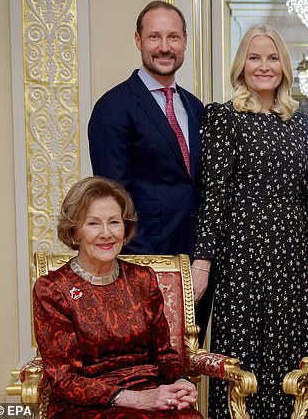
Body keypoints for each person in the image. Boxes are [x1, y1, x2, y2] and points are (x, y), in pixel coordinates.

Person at [190, 24, 308, 419]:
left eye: (273, 57)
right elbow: (213, 197)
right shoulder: (222, 117)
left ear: (284, 65)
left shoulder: (299, 123)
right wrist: (202, 263)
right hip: (240, 259)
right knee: (241, 360)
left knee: (288, 360)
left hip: (289, 260)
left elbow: (305, 199)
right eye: (254, 57)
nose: (264, 66)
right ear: (241, 65)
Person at [87, 0, 210, 337]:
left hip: (195, 263)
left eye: (173, 37)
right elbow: (114, 199)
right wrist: (147, 269)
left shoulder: (195, 107)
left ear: (185, 41)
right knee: (147, 369)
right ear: (138, 40)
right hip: (143, 264)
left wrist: (201, 260)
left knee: (187, 364)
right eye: (155, 37)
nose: (165, 47)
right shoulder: (114, 107)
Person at [33, 176, 202, 419]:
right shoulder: (52, 289)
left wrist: (180, 381)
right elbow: (64, 379)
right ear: (74, 231)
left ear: (125, 228)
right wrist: (137, 400)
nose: (106, 234)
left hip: (152, 393)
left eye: (114, 222)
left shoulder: (143, 279)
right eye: (93, 224)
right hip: (85, 405)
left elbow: (164, 354)